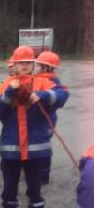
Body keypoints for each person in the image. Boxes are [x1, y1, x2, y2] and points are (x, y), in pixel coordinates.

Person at [0, 45, 68, 208]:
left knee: (34, 184)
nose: (25, 66)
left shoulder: (42, 82)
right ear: (14, 65)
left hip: (35, 148)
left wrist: (42, 96)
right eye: (21, 62)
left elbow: (63, 94)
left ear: (33, 64)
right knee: (10, 183)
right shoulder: (7, 84)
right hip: (12, 148)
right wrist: (9, 92)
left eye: (28, 62)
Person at [34, 51, 69, 184]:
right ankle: (37, 172)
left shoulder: (52, 81)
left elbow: (58, 97)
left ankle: (43, 174)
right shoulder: (38, 78)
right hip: (40, 119)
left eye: (38, 65)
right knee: (37, 145)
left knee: (43, 146)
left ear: (46, 67)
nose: (36, 67)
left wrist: (42, 96)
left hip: (47, 120)